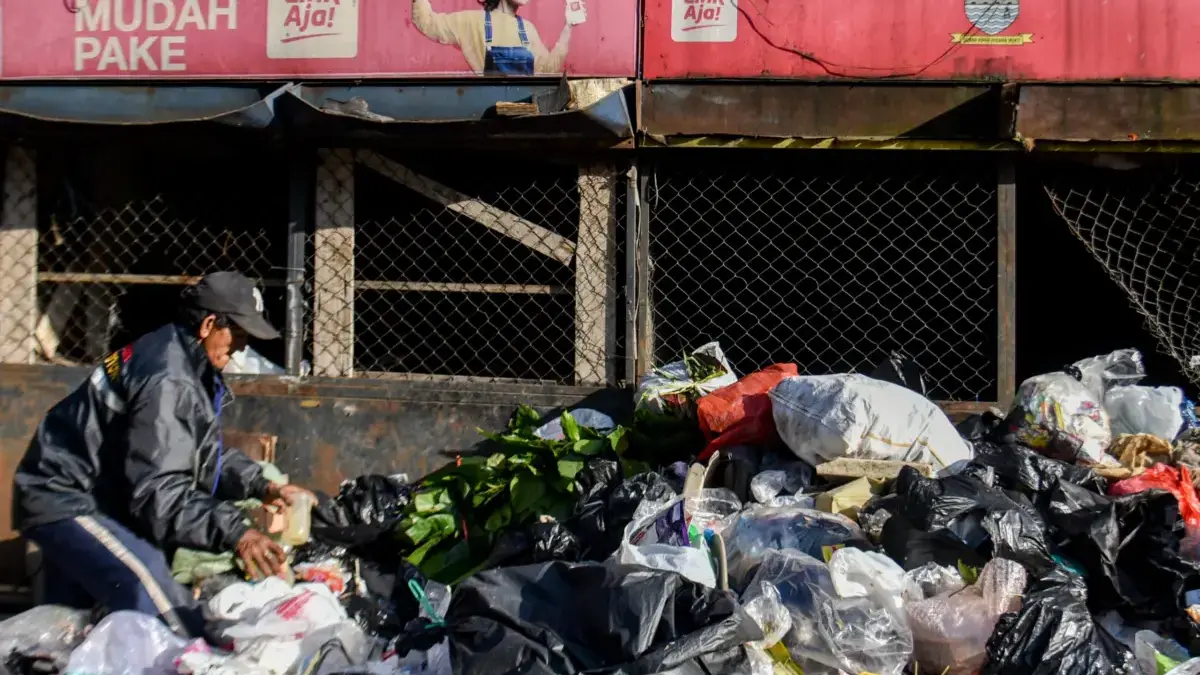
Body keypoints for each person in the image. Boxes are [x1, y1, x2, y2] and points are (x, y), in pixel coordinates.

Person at [13, 271, 315, 638]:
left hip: (90, 496)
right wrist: (238, 532)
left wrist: (262, 486)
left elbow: (197, 455)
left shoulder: (182, 358)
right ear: (208, 325)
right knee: (163, 609)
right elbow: (159, 491)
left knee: (73, 635)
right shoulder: (168, 378)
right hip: (66, 496)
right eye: (237, 332)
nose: (242, 346)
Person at [411, 0, 586, 75]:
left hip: (523, 117)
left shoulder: (527, 29)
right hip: (488, 117)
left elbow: (547, 71)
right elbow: (427, 23)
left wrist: (568, 27)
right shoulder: (472, 21)